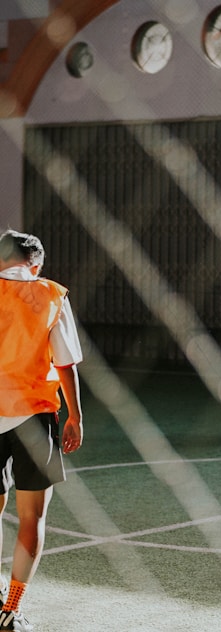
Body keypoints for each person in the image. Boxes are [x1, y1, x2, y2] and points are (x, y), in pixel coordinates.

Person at [0, 229, 83, 632]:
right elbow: (66, 363)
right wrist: (75, 417)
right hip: (33, 416)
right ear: (35, 264)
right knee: (31, 517)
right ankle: (10, 610)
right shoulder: (50, 295)